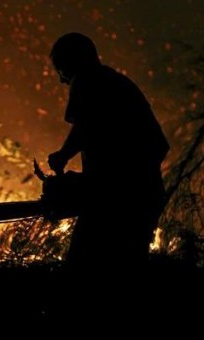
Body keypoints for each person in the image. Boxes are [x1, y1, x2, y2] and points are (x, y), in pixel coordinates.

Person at [46, 33, 169, 276]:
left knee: (85, 268)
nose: (61, 80)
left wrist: (62, 156)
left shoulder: (86, 81)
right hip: (143, 194)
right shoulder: (116, 83)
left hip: (120, 199)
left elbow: (86, 126)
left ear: (71, 63)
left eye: (61, 70)